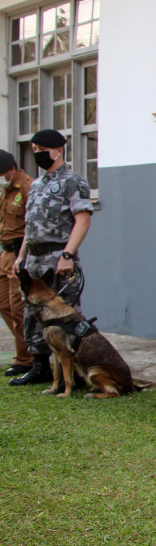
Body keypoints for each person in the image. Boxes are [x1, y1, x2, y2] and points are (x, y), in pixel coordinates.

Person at [9, 130, 92, 386]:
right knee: (33, 315)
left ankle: (76, 371)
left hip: (58, 258)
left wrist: (67, 254)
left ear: (59, 150)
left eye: (42, 148)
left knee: (64, 316)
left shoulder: (72, 181)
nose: (38, 153)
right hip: (33, 259)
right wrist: (21, 256)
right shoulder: (36, 184)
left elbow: (83, 219)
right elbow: (30, 225)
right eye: (34, 149)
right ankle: (40, 367)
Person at [0, 151, 34, 378]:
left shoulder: (28, 187)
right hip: (4, 253)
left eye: (1, 173)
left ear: (12, 169)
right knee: (3, 304)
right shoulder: (6, 189)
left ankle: (26, 359)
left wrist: (21, 258)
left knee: (18, 308)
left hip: (19, 255)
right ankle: (29, 350)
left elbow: (32, 226)